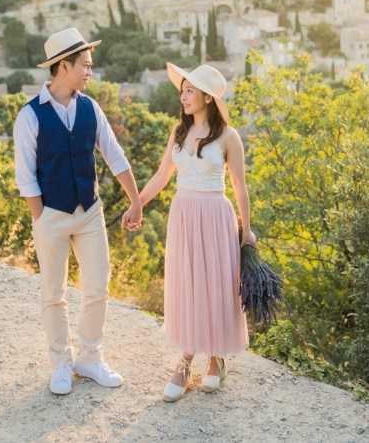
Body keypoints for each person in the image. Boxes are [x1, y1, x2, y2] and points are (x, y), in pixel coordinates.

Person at [14, 27, 142, 396]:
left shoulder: (90, 108)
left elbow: (114, 155)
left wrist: (134, 199)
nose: (90, 71)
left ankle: (90, 358)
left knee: (98, 286)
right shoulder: (30, 116)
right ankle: (60, 364)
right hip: (51, 215)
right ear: (64, 66)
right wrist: (41, 217)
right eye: (85, 65)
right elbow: (25, 175)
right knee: (53, 293)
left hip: (89, 213)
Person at [123, 62, 255, 401]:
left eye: (190, 90)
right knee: (188, 284)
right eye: (182, 90)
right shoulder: (178, 133)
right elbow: (162, 176)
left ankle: (215, 357)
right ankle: (184, 359)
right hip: (183, 213)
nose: (183, 96)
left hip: (215, 214)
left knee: (216, 285)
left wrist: (247, 230)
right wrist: (137, 203)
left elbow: (240, 187)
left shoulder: (229, 136)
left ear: (208, 98)